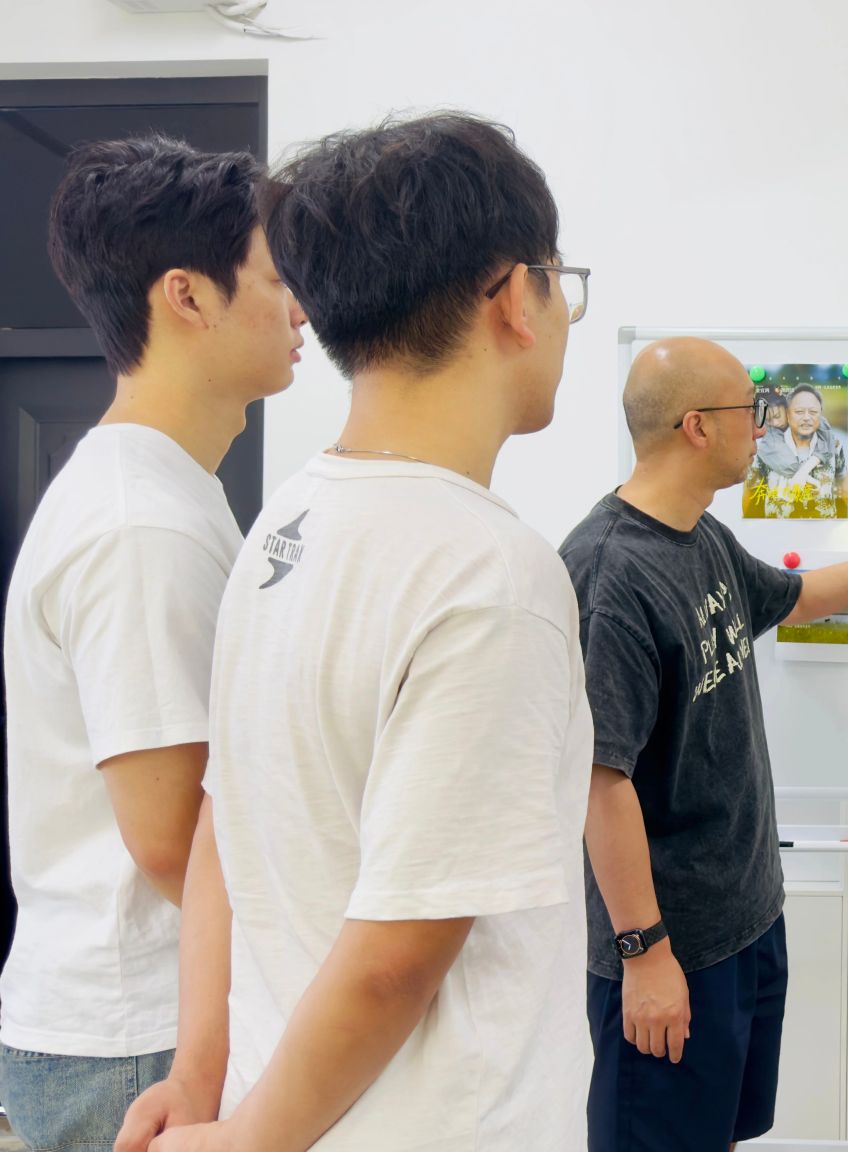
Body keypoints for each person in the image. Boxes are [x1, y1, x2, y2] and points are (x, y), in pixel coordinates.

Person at [118, 112, 593, 1152]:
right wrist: (244, 1136)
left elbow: (223, 824)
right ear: (516, 297)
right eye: (564, 282)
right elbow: (398, 956)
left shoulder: (285, 524)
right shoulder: (492, 574)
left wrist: (202, 1078)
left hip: (281, 1103)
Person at [569, 337, 848, 1152]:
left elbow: (794, 597)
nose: (762, 425)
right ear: (697, 426)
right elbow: (599, 780)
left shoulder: (699, 536)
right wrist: (644, 953)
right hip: (670, 947)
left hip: (747, 920)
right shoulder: (609, 575)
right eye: (751, 409)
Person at [1, 136, 303, 1151]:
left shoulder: (170, 492)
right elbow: (175, 838)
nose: (300, 311)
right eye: (275, 279)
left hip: (144, 1019)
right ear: (187, 296)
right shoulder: (141, 523)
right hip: (135, 1035)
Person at [750, 384, 844, 518]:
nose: (775, 423)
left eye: (777, 416)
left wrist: (806, 469)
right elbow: (780, 459)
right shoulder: (770, 436)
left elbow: (828, 438)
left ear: (788, 408)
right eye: (769, 420)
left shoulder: (812, 419)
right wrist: (805, 477)